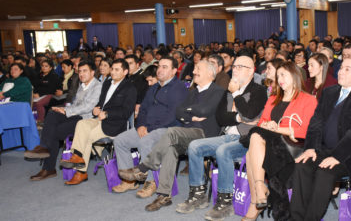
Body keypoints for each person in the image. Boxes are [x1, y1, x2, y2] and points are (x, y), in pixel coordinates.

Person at [119, 60, 225, 212]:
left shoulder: (218, 91)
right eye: (194, 68)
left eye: (197, 69)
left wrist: (188, 112)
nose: (194, 71)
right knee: (170, 147)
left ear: (210, 73)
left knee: (171, 132)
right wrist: (191, 115)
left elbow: (204, 110)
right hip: (187, 132)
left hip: (204, 134)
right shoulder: (193, 91)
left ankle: (143, 167)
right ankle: (164, 195)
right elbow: (179, 112)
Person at [176, 56, 267, 221]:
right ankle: (198, 194)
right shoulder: (227, 91)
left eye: (240, 66)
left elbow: (250, 113)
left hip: (247, 139)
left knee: (223, 151)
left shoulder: (258, 91)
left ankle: (225, 201)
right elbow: (221, 118)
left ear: (251, 71)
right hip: (227, 136)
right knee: (195, 146)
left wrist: (237, 94)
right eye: (234, 66)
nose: (235, 69)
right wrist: (238, 118)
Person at [290, 57, 351, 221]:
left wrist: (337, 156)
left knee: (325, 172)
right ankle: (296, 218)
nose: (341, 71)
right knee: (302, 165)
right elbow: (316, 122)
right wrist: (311, 147)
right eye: (341, 68)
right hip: (324, 149)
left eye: (348, 69)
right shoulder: (329, 91)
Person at [243, 62, 318, 220]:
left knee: (253, 148)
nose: (280, 79)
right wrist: (268, 124)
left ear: (295, 75)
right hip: (271, 144)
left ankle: (257, 195)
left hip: (292, 147)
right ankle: (260, 186)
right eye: (278, 76)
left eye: (283, 75)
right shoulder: (273, 98)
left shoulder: (309, 99)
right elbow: (261, 123)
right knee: (255, 141)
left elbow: (307, 130)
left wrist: (277, 129)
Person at [112, 57, 188, 197]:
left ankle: (151, 182)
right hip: (147, 127)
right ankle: (130, 181)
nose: (160, 69)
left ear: (174, 71)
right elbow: (143, 109)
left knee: (145, 141)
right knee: (120, 140)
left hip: (168, 129)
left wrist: (149, 129)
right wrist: (140, 125)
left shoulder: (179, 88)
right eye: (159, 66)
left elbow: (173, 116)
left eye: (165, 67)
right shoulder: (153, 87)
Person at [59, 59, 137, 185]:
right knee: (82, 123)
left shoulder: (130, 88)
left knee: (87, 136)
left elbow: (126, 112)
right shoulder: (106, 84)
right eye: (112, 69)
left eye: (117, 69)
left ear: (125, 72)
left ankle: (81, 172)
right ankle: (78, 156)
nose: (113, 72)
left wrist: (107, 114)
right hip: (100, 120)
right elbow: (101, 103)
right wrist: (97, 108)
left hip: (115, 125)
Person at [24, 61, 102, 180]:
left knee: (54, 132)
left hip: (86, 119)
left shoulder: (98, 86)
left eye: (85, 71)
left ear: (92, 72)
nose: (81, 74)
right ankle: (44, 148)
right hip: (76, 115)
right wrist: (63, 109)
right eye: (79, 71)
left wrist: (66, 111)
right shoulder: (82, 85)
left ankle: (48, 168)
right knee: (52, 112)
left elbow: (89, 107)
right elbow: (75, 104)